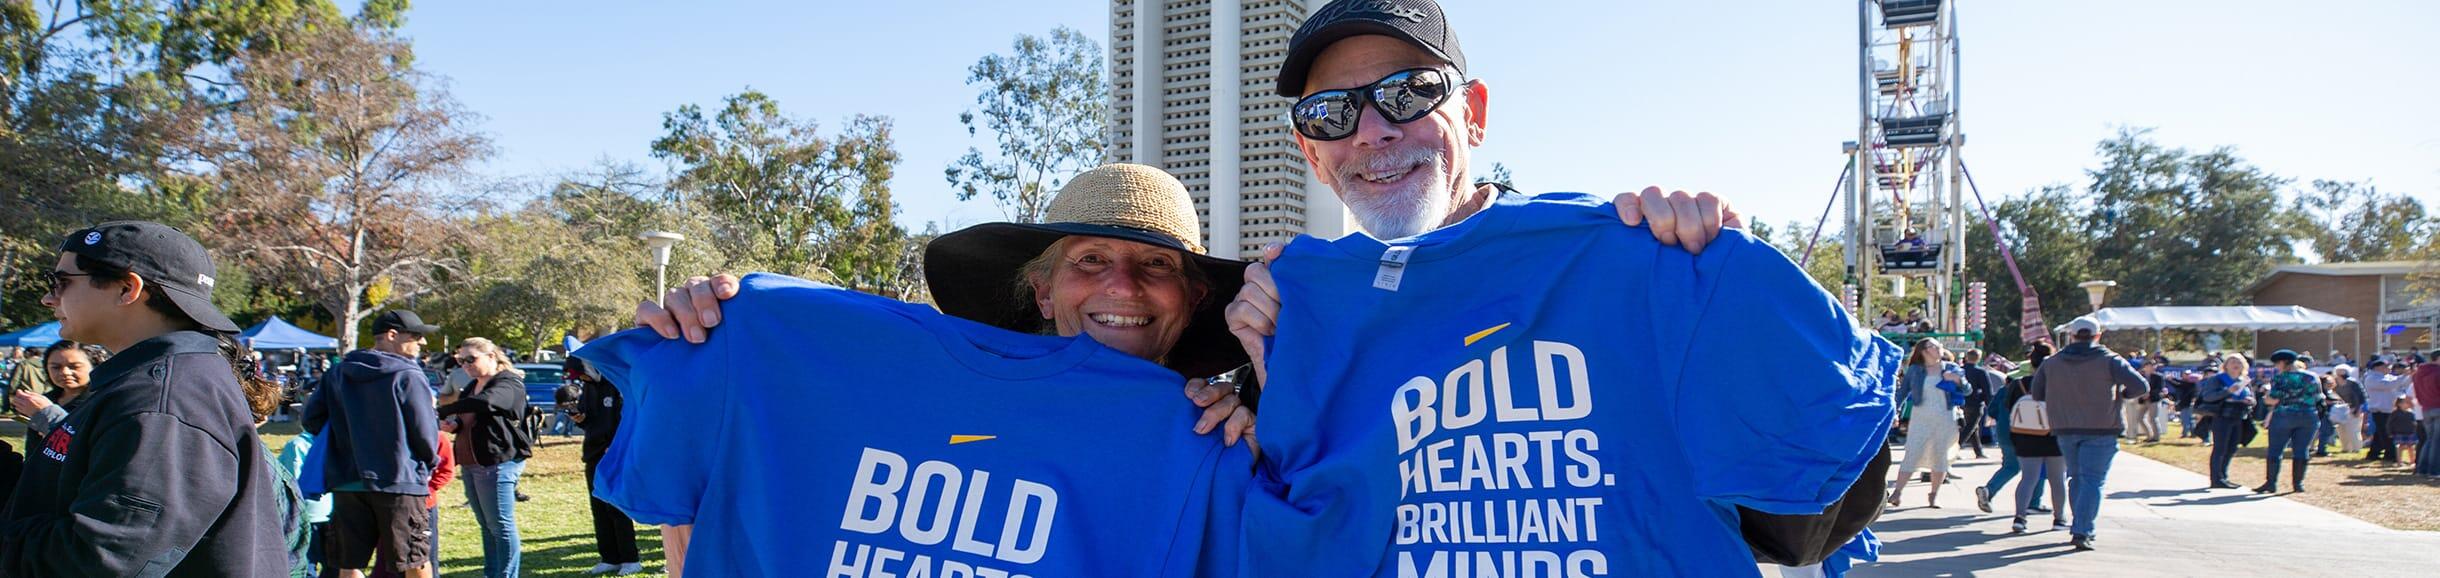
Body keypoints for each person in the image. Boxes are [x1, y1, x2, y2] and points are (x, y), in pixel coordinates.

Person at [0, 220, 286, 574]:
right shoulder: (151, 383)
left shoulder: (164, 400)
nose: (48, 297)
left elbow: (100, 559)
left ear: (127, 289)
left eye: (60, 282)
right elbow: (66, 498)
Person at [301, 310, 443, 578]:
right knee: (415, 560)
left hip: (347, 482)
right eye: (416, 336)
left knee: (349, 563)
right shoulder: (408, 375)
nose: (422, 342)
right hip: (399, 480)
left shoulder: (338, 373)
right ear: (392, 335)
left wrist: (350, 440)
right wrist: (430, 462)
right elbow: (425, 432)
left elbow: (311, 419)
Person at [2028, 316, 2148, 551]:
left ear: (2072, 336)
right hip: (2102, 426)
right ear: (2097, 335)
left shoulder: (2052, 363)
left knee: (2076, 477)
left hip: (2064, 427)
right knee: (2093, 480)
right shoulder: (2110, 361)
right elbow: (2141, 386)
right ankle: (2083, 530)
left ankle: (2079, 524)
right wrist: (2119, 396)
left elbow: (2037, 393)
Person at [435, 337, 534, 578]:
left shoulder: (509, 383)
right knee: (487, 526)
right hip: (472, 462)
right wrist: (454, 424)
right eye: (461, 360)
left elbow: (487, 403)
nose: (465, 365)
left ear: (491, 356)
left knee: (501, 526)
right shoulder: (473, 385)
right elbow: (469, 415)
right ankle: (493, 573)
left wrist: (442, 410)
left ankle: (506, 575)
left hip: (498, 462)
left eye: (471, 359)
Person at [568, 357, 642, 576]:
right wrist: (580, 419)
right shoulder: (588, 388)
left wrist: (618, 446)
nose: (581, 379)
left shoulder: (616, 384)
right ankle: (609, 557)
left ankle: (630, 559)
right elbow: (590, 419)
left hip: (615, 454)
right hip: (593, 453)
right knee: (598, 507)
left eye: (582, 374)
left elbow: (628, 419)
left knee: (616, 508)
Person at [1889, 338, 1964, 508]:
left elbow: (1967, 389)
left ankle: (1934, 495)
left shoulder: (1951, 368)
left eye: (1940, 347)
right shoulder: (1915, 370)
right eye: (1935, 346)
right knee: (1912, 453)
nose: (1940, 349)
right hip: (1921, 417)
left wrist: (1957, 380)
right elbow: (1902, 392)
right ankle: (1897, 492)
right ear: (1924, 350)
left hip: (1945, 417)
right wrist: (1895, 412)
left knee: (1940, 456)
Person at [1999, 358, 2067, 535]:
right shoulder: (2061, 385)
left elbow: (2009, 407)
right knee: (2057, 479)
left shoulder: (2018, 384)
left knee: (2028, 478)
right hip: (2054, 435)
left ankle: (2020, 517)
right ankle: (2059, 518)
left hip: (2025, 435)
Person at [1977, 347, 2045, 514]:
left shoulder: (2007, 388)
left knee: (2010, 466)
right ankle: (2034, 502)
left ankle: (1989, 490)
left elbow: (1992, 411)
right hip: (2030, 432)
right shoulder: (2040, 386)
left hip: (2004, 431)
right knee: (2038, 466)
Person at [2257, 350, 2323, 493]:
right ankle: (2298, 484)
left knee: (2276, 449)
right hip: (2308, 415)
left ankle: (2271, 483)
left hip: (2284, 415)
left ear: (2282, 362)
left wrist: (2266, 398)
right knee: (2301, 450)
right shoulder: (2312, 377)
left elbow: (2273, 399)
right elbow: (2319, 397)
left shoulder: (2281, 378)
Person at [2198, 355, 2255, 489]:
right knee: (2220, 448)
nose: (2236, 365)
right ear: (2226, 365)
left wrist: (2251, 401)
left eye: (2239, 362)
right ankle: (2216, 479)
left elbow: (2252, 398)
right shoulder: (2217, 379)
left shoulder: (2244, 380)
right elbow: (2208, 396)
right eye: (2233, 362)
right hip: (2222, 416)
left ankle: (2223, 476)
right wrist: (2227, 392)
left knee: (2232, 448)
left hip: (2239, 416)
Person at [2364, 358, 2413, 462]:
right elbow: (2389, 385)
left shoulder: (2388, 377)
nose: (2389, 368)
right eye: (2386, 366)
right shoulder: (2371, 378)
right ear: (2378, 367)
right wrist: (2403, 375)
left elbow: (2401, 383)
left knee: (2379, 434)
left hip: (2389, 409)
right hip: (2380, 410)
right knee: (2387, 434)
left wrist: (2410, 375)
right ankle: (2391, 455)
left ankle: (2373, 453)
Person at [1958, 349, 1995, 459]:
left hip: (1962, 402)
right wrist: (1991, 405)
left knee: (1973, 427)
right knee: (1971, 426)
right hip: (1976, 402)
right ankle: (1955, 447)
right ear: (1978, 358)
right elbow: (1987, 390)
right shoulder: (1981, 372)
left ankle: (1978, 451)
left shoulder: (1960, 370)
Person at [2414, 351, 2440, 477]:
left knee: (2429, 439)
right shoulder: (2438, 372)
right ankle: (2434, 470)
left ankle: (2422, 469)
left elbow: (2417, 392)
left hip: (2426, 408)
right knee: (2437, 441)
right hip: (2438, 407)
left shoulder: (2419, 373)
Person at [2333, 365, 2366, 454]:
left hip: (2354, 409)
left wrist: (2358, 410)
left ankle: (2356, 448)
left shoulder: (2353, 383)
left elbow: (2361, 398)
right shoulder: (2334, 382)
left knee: (2353, 430)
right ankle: (2345, 448)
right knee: (2341, 430)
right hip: (2340, 410)